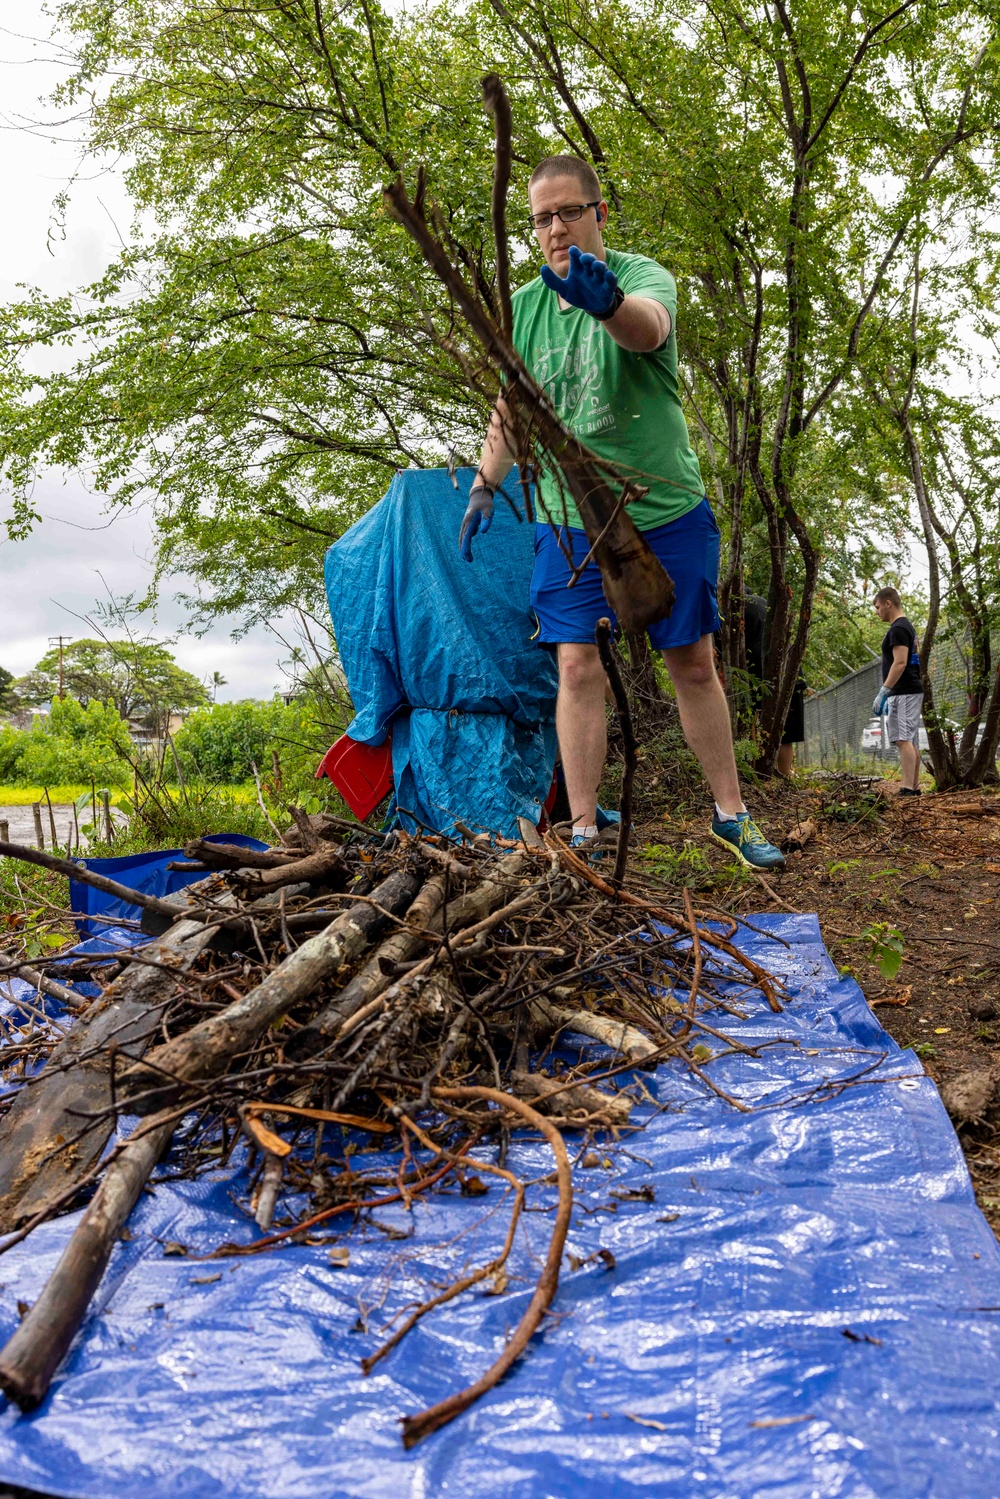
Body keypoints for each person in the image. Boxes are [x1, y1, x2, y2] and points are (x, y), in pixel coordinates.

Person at [458, 154, 784, 870]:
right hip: (570, 519)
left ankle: (731, 814)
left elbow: (649, 329)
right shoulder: (527, 305)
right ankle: (582, 829)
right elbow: (512, 406)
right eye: (542, 217)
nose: (555, 227)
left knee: (692, 663)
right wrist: (486, 482)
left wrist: (607, 305)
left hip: (662, 508)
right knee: (576, 667)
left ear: (600, 214)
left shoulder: (641, 278)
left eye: (569, 211)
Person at [743, 594, 807, 778]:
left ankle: (762, 776)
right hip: (790, 673)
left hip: (761, 676)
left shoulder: (735, 607)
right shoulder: (762, 602)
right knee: (786, 732)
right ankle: (783, 776)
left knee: (760, 728)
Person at [873, 586, 923, 795]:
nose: (877, 612)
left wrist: (884, 690)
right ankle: (913, 786)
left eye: (877, 607)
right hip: (905, 691)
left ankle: (907, 788)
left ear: (888, 603)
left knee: (903, 739)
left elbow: (900, 663)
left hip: (904, 691)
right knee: (908, 739)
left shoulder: (898, 628)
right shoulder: (905, 627)